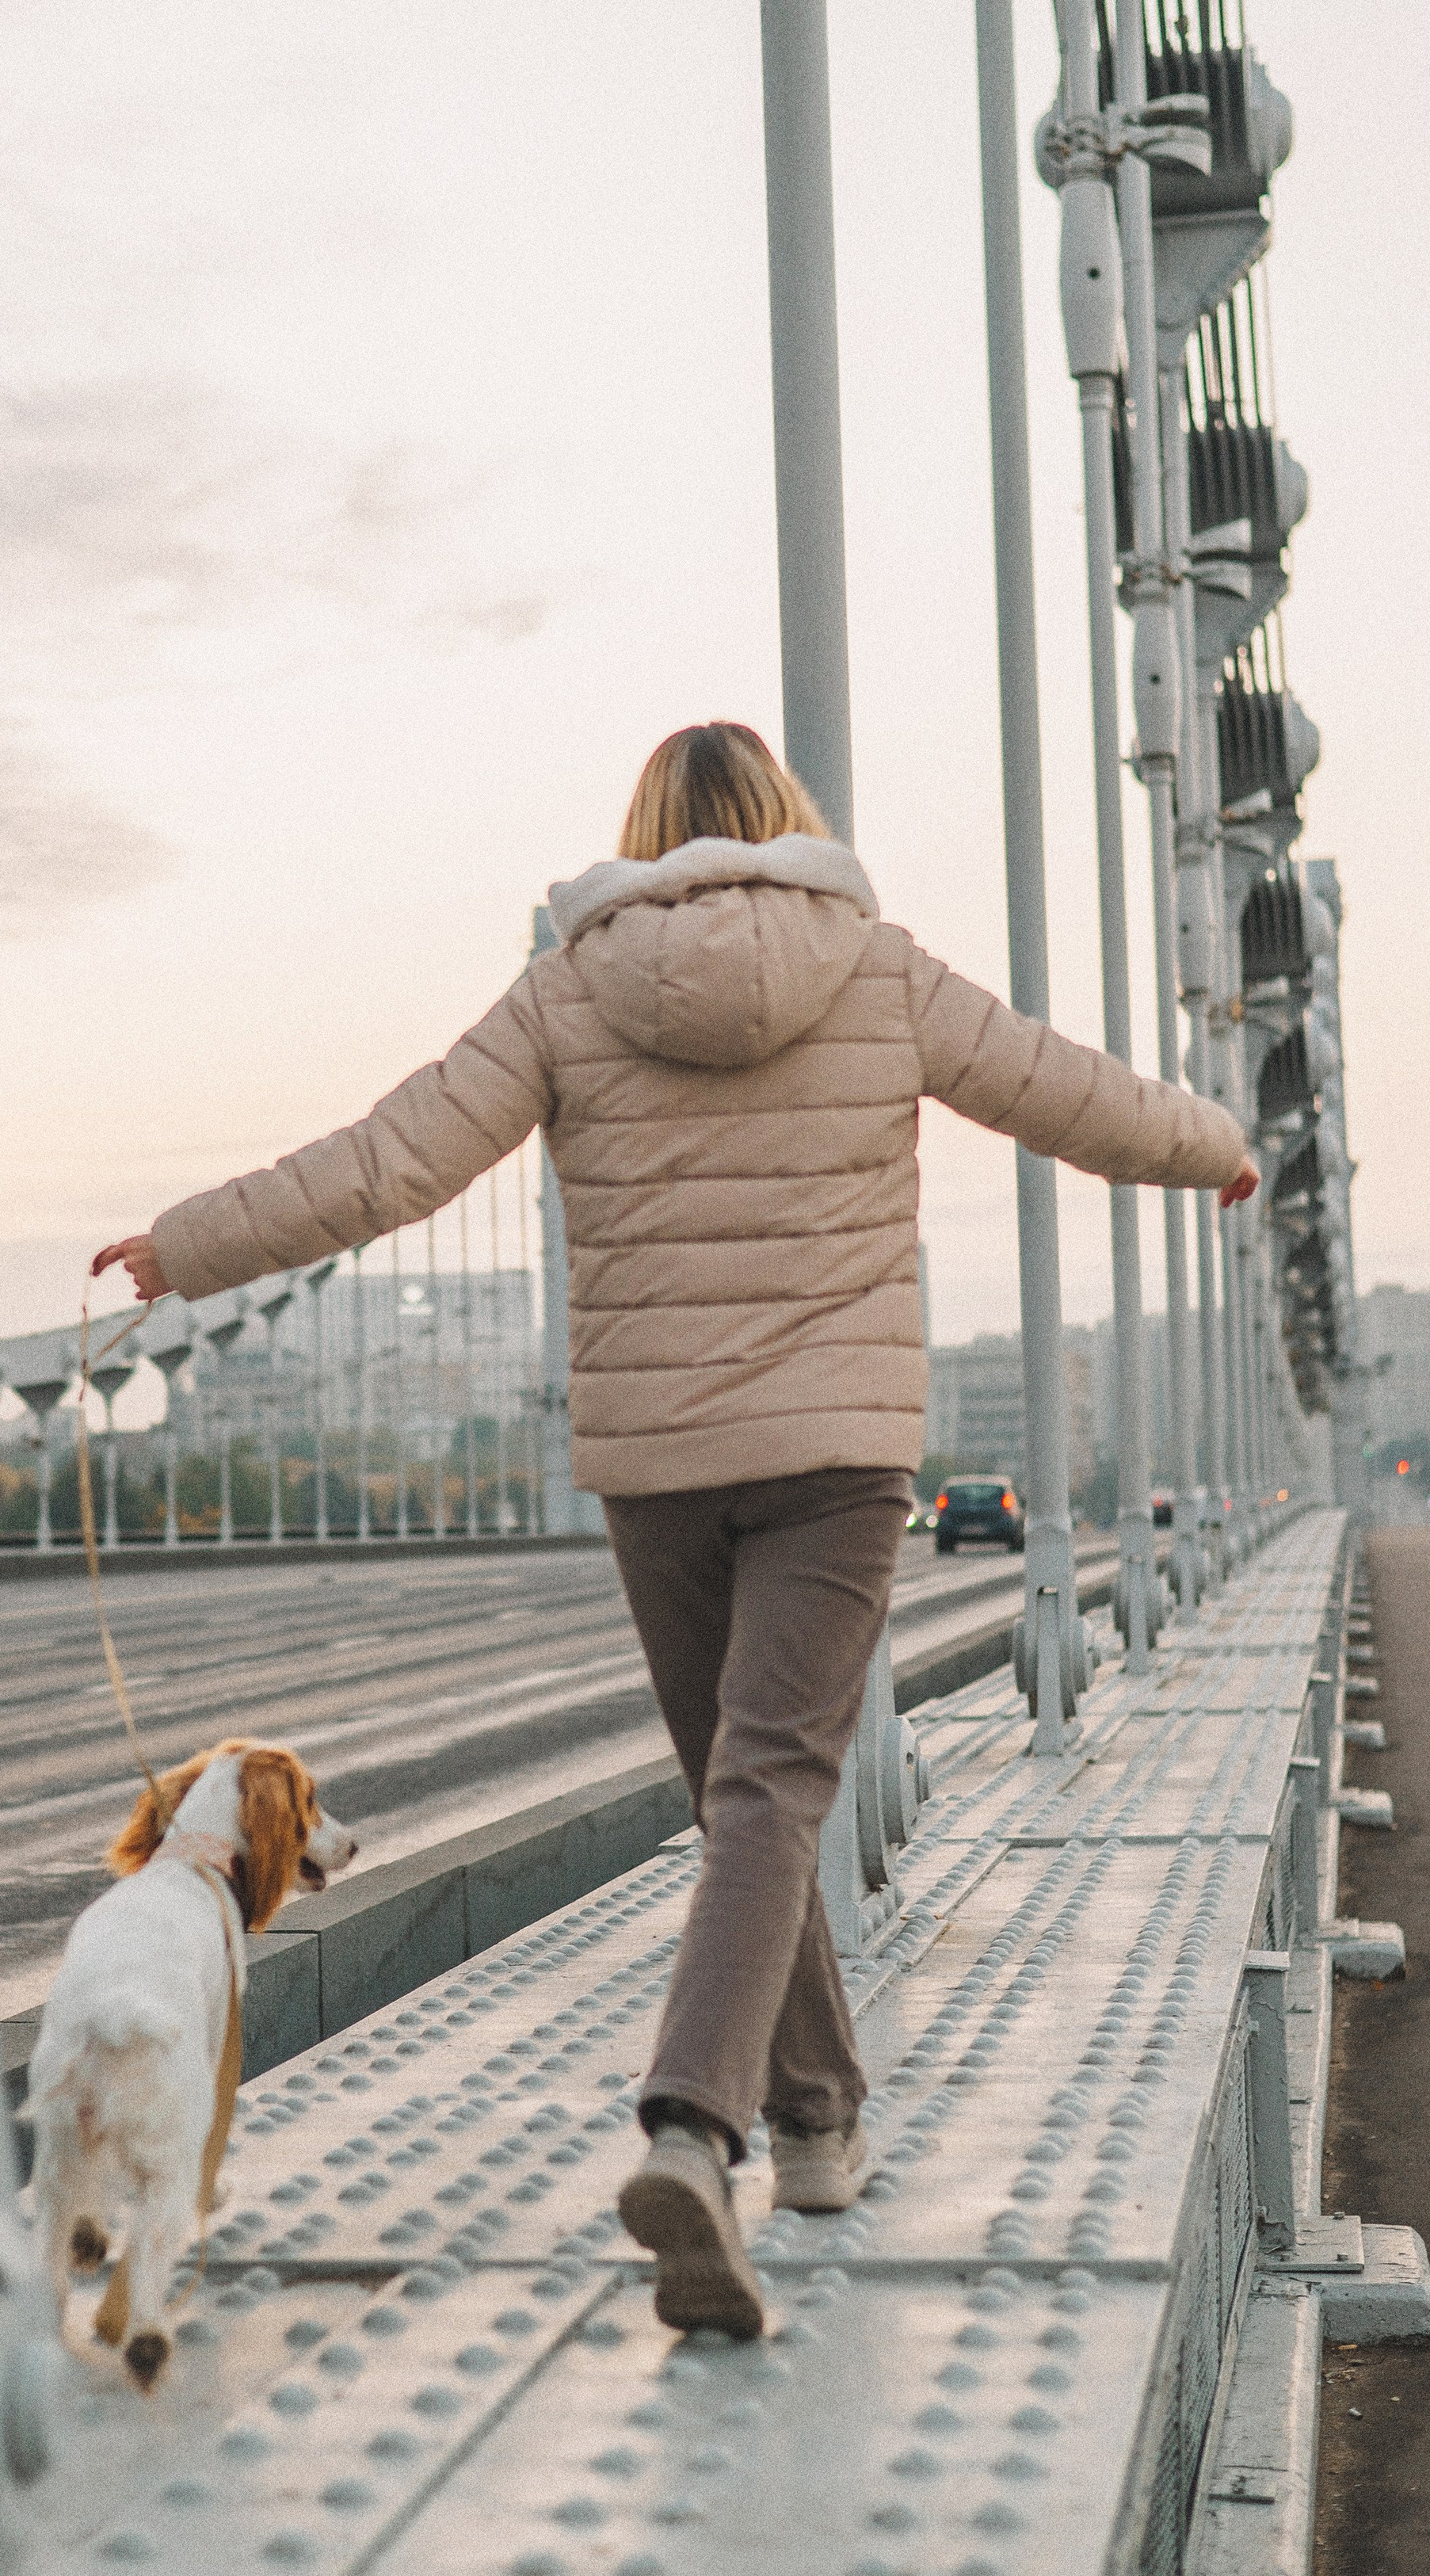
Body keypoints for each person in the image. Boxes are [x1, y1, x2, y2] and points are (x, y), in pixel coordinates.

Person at [95, 720, 1256, 2337]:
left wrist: (188, 1245)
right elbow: (1064, 1093)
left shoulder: (572, 984)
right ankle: (692, 2129)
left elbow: (390, 1160)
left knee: (744, 1803)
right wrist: (1214, 1143)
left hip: (657, 1461)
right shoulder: (871, 965)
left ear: (642, 838)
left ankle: (817, 2125)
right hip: (838, 1455)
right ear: (787, 821)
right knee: (771, 1787)